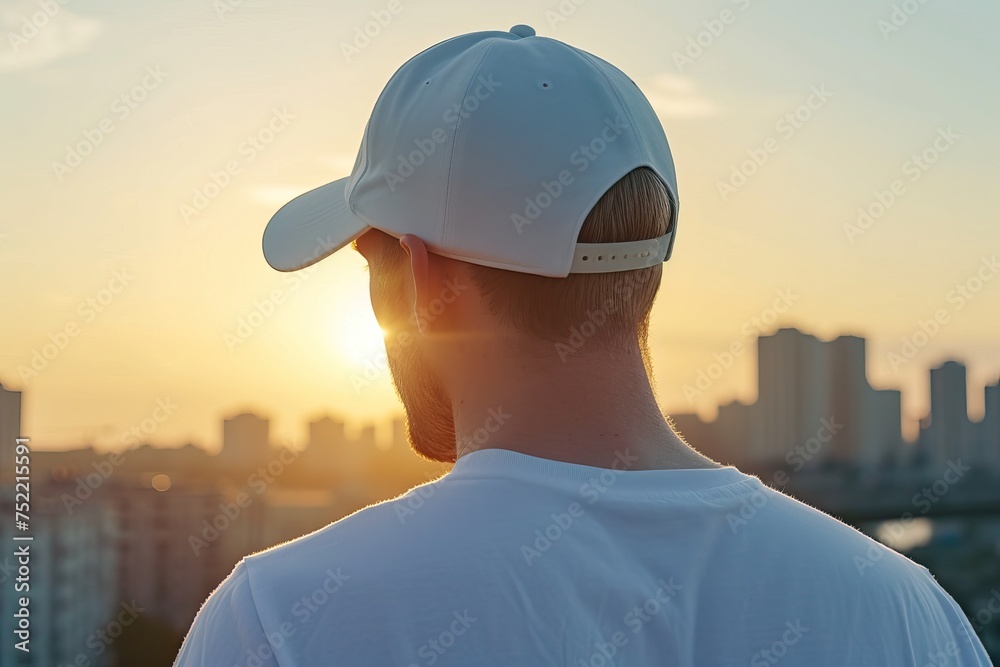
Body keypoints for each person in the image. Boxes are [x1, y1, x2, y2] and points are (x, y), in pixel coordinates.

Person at [174, 25, 991, 666]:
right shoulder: (906, 612)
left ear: (422, 280)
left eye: (369, 257)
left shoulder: (278, 621)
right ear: (649, 266)